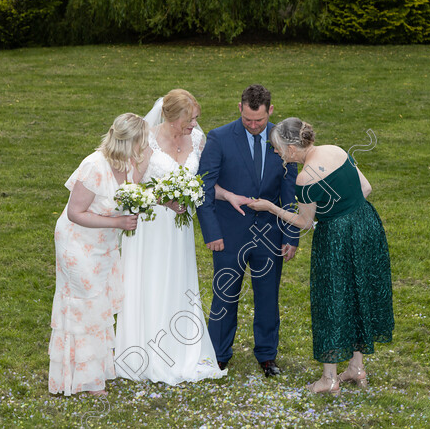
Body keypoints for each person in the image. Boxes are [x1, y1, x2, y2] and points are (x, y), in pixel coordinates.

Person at [247, 117, 394, 394]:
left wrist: (270, 207)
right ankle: (357, 368)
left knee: (333, 300)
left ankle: (329, 379)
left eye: (278, 149)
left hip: (337, 239)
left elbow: (304, 222)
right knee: (358, 294)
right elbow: (366, 189)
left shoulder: (305, 178)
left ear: (292, 149)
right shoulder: (338, 151)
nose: (277, 154)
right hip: (366, 226)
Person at [114, 89, 227, 385]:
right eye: (189, 120)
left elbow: (205, 184)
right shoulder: (147, 139)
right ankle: (145, 351)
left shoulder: (198, 141)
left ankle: (180, 350)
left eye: (195, 119)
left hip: (180, 230)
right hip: (150, 229)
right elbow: (129, 189)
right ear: (172, 117)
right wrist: (163, 199)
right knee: (150, 281)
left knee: (177, 281)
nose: (194, 125)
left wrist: (230, 196)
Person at [196, 84, 299, 377]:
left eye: (260, 121)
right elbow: (204, 187)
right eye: (248, 119)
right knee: (224, 295)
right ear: (240, 108)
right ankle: (218, 354)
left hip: (270, 234)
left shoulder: (285, 139)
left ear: (271, 111)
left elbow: (289, 190)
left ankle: (267, 356)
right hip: (228, 232)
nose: (254, 126)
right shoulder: (219, 138)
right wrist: (211, 232)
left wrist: (291, 235)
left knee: (268, 296)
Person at [48, 113, 148, 396]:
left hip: (104, 246)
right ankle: (85, 381)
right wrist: (118, 222)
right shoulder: (93, 165)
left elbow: (134, 194)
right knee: (85, 306)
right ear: (129, 142)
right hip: (77, 244)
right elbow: (74, 213)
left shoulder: (128, 164)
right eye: (142, 141)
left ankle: (95, 370)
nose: (145, 146)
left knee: (98, 306)